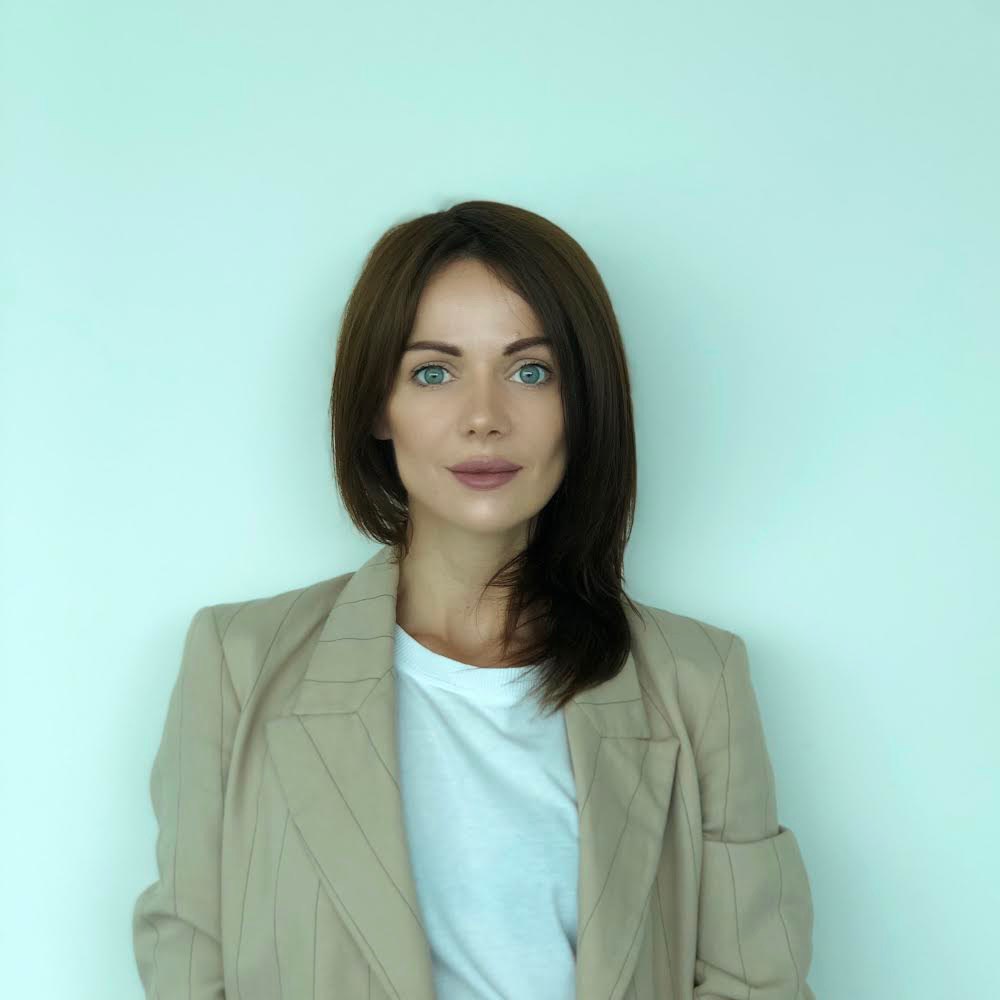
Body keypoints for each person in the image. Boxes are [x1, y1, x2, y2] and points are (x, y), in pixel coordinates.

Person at [132, 199, 816, 999]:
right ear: (378, 406)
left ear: (582, 402)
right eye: (434, 371)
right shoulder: (239, 662)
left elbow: (756, 983)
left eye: (531, 371)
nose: (485, 418)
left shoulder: (700, 680)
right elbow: (189, 966)